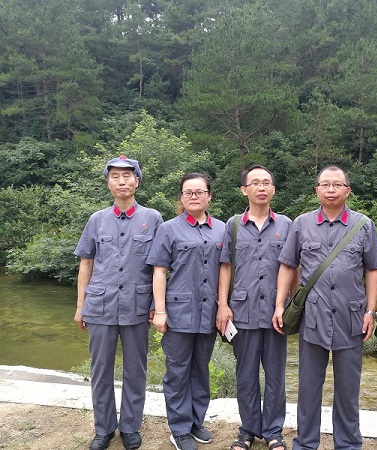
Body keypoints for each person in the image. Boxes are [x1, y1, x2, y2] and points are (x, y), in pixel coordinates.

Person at [273, 166, 377, 450]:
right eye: (325, 184)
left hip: (352, 318)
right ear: (317, 191)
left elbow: (374, 269)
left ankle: (347, 444)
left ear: (348, 190)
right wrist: (279, 305)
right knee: (309, 387)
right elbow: (288, 265)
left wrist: (370, 311)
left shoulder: (363, 225)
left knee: (348, 388)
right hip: (313, 317)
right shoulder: (302, 223)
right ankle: (305, 443)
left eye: (337, 184)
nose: (331, 189)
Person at [74, 155, 163, 450]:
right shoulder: (96, 220)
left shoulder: (153, 218)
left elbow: (159, 267)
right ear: (108, 183)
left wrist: (157, 305)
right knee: (100, 370)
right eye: (115, 176)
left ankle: (130, 427)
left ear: (137, 181)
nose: (122, 181)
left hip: (138, 305)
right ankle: (104, 429)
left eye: (127, 176)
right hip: (100, 305)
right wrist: (80, 305)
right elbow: (86, 264)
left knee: (136, 370)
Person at [217, 165, 295, 450]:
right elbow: (225, 266)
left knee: (276, 375)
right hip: (242, 311)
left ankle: (273, 432)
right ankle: (248, 430)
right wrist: (222, 305)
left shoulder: (286, 225)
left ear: (273, 189)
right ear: (244, 190)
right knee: (246, 375)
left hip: (276, 313)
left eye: (266, 183)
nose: (261, 187)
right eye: (255, 183)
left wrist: (292, 306)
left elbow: (292, 267)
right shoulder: (233, 225)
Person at [146, 172, 225, 450]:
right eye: (188, 192)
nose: (194, 196)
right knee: (178, 372)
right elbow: (159, 271)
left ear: (209, 196)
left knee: (200, 370)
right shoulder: (169, 229)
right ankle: (179, 429)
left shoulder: (222, 229)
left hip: (209, 311)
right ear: (181, 196)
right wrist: (160, 310)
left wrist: (223, 305)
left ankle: (195, 422)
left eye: (199, 192)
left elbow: (225, 270)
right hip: (178, 312)